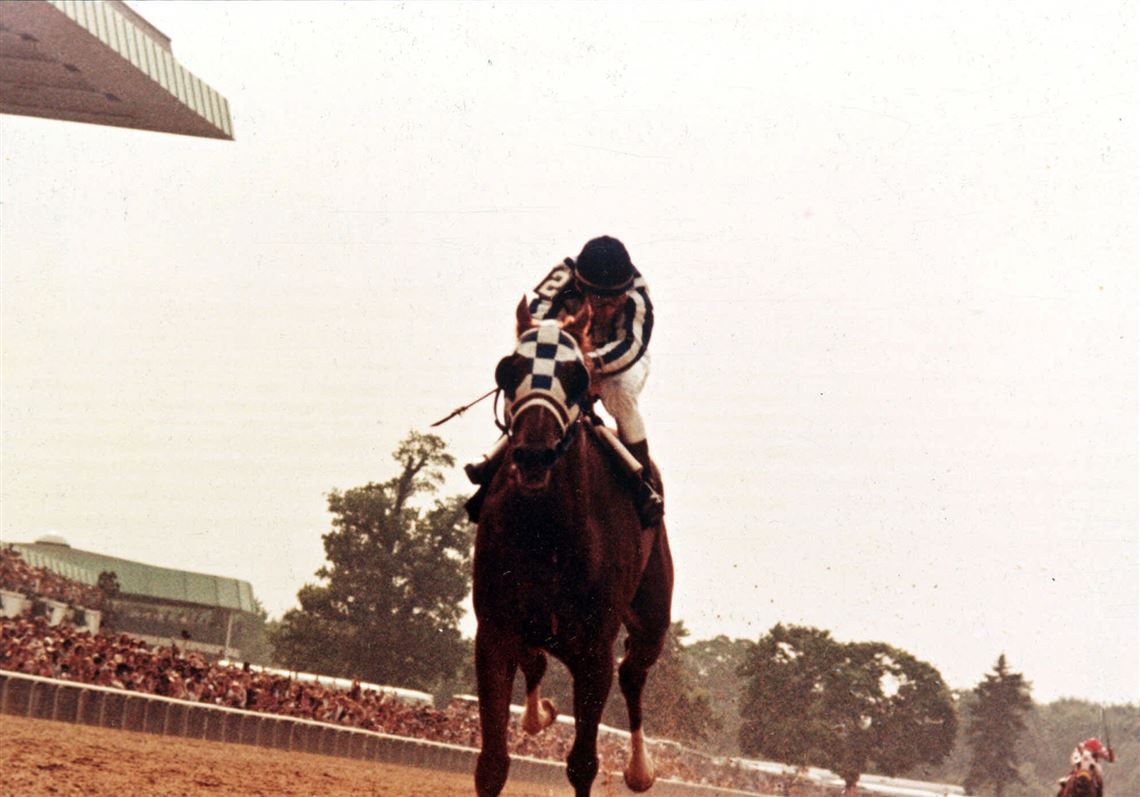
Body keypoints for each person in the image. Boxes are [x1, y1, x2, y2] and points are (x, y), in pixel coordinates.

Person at [465, 235, 664, 527]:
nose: (607, 311)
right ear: (581, 287)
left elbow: (631, 346)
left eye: (614, 303)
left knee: (618, 394)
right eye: (599, 302)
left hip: (619, 358)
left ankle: (642, 483)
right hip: (565, 344)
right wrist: (559, 356)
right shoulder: (562, 278)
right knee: (532, 389)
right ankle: (492, 466)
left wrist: (594, 363)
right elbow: (535, 319)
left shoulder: (638, 296)